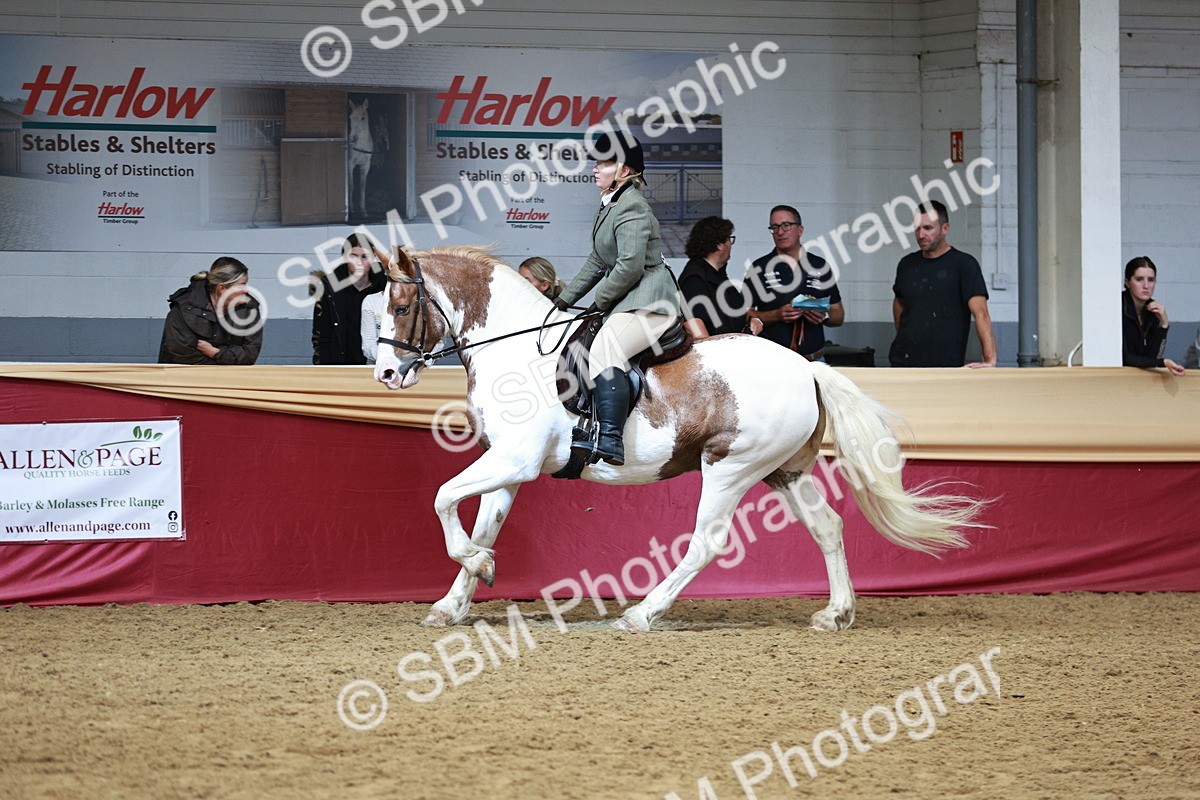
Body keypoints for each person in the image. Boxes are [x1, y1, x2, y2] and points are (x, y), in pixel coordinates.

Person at [553, 131, 681, 466]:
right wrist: (563, 300)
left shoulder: (633, 206)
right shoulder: (611, 205)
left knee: (606, 349)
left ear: (624, 170)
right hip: (630, 298)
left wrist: (600, 301)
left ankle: (610, 439)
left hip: (651, 300)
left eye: (604, 163)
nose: (595, 168)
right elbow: (598, 260)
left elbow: (629, 267)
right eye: (597, 162)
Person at [889, 200, 996, 368]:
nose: (921, 235)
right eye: (917, 228)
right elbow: (899, 303)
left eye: (928, 228)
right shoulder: (906, 264)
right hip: (903, 363)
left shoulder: (964, 265)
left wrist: (990, 360)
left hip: (945, 365)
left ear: (945, 229)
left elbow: (981, 314)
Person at [745, 205, 844, 361]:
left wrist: (824, 316)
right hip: (773, 362)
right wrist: (776, 315)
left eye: (786, 225)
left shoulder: (819, 265)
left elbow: (838, 315)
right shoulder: (759, 268)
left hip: (814, 361)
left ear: (800, 230)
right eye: (774, 227)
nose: (780, 232)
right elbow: (744, 313)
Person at [158, 257, 262, 365]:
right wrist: (225, 363)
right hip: (184, 374)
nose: (246, 290)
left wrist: (215, 352)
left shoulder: (249, 308)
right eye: (241, 285)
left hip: (229, 375)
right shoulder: (185, 308)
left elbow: (249, 355)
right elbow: (182, 355)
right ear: (222, 288)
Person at [678, 216, 762, 338]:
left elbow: (740, 313)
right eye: (729, 239)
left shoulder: (718, 275)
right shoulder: (694, 281)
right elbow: (697, 332)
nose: (731, 244)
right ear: (719, 245)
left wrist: (754, 322)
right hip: (719, 349)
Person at [311, 234, 386, 365]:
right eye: (353, 256)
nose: (359, 262)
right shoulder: (329, 288)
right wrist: (323, 367)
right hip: (339, 364)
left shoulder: (386, 286)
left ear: (373, 257)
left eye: (364, 257)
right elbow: (321, 334)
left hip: (377, 364)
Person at [1121, 256, 1185, 376]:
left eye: (1151, 280)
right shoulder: (1118, 307)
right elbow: (1124, 357)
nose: (1146, 286)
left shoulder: (1153, 309)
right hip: (1118, 376)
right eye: (1139, 279)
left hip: (1140, 378)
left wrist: (1164, 325)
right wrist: (1162, 362)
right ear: (1127, 283)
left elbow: (1152, 356)